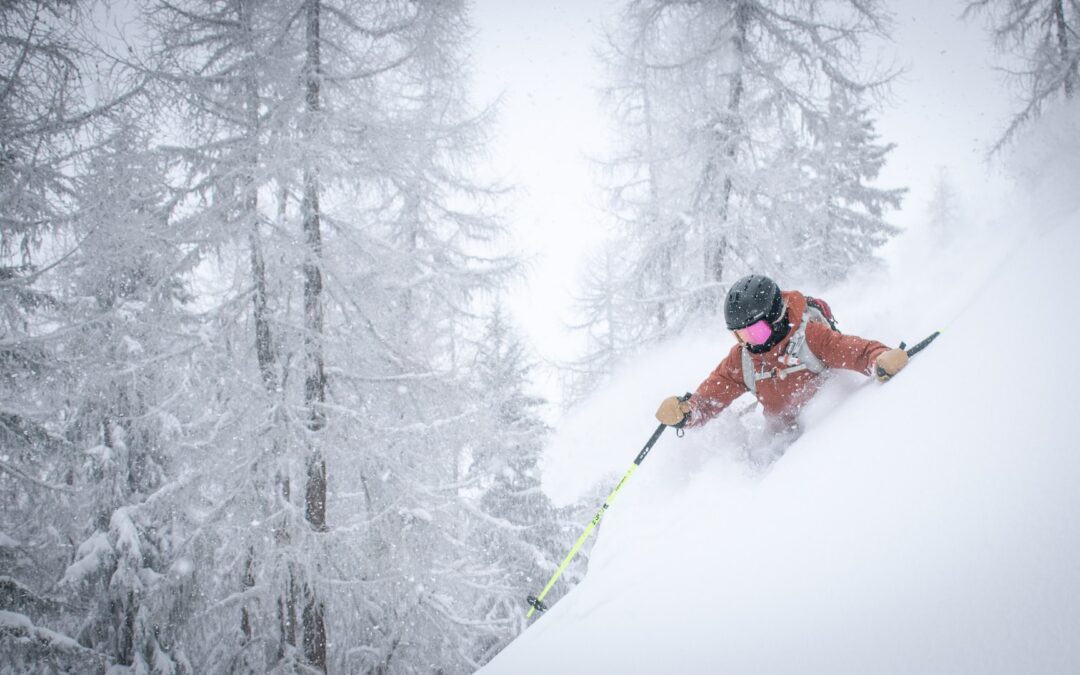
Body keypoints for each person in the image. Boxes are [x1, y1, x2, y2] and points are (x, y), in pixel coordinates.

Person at [656, 274, 909, 432]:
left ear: (776, 318)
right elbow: (709, 401)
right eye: (740, 335)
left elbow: (857, 352)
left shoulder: (810, 337)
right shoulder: (744, 359)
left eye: (755, 332)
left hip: (825, 431)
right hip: (781, 442)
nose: (750, 342)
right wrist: (686, 412)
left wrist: (880, 358)